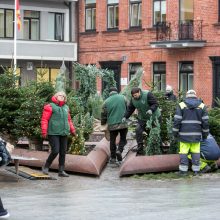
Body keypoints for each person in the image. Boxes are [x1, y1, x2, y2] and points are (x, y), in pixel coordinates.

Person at [173, 89, 209, 175]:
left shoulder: (181, 105)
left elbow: (177, 120)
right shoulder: (202, 106)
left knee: (183, 152)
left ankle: (183, 171)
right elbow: (205, 122)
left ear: (187, 96)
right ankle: (196, 170)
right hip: (196, 134)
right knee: (196, 152)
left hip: (183, 134)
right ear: (195, 96)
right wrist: (205, 134)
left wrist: (175, 133)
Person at [41, 91, 76, 177]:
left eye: (63, 96)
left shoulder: (66, 107)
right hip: (53, 132)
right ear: (56, 96)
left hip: (64, 132)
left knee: (63, 152)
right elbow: (44, 119)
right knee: (55, 151)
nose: (62, 97)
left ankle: (61, 171)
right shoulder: (50, 107)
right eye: (60, 95)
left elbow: (69, 120)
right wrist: (44, 130)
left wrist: (72, 130)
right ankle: (46, 166)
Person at [123, 87, 161, 155]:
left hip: (154, 117)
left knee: (154, 131)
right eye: (133, 96)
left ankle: (156, 147)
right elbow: (130, 109)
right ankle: (140, 147)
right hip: (142, 117)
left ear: (139, 92)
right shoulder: (133, 99)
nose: (135, 97)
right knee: (138, 130)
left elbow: (155, 103)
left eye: (136, 95)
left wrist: (151, 110)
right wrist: (125, 117)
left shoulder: (147, 94)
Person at [101, 87, 128, 163]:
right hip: (123, 123)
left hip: (112, 125)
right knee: (123, 139)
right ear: (117, 91)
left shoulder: (106, 101)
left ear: (109, 93)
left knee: (112, 141)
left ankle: (113, 158)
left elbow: (103, 114)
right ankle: (119, 150)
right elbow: (128, 108)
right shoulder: (123, 98)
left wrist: (103, 123)